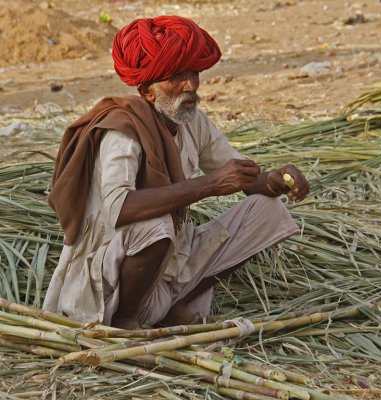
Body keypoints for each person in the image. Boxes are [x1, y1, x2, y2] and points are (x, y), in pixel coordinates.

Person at [42, 16, 309, 329]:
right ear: (147, 90)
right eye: (176, 77)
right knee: (157, 223)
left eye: (194, 73)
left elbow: (239, 175)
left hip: (171, 266)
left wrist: (274, 181)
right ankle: (128, 320)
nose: (191, 86)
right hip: (107, 287)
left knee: (267, 210)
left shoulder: (190, 120)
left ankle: (173, 305)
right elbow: (119, 208)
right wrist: (207, 185)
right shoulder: (122, 132)